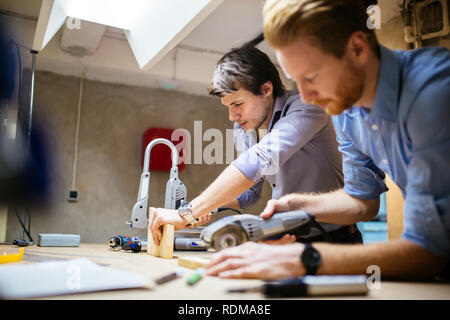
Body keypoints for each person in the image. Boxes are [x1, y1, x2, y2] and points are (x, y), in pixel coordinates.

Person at [205, 0, 450, 280]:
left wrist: (305, 258)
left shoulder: (434, 93)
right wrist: (299, 205)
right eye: (297, 80)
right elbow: (363, 202)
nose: (307, 97)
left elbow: (430, 252)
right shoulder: (347, 111)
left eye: (311, 77)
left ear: (357, 49)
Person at [148, 45, 354, 246]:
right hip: (288, 240)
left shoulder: (307, 107)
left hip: (336, 240)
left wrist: (187, 213)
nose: (232, 116)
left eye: (238, 104)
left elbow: (259, 160)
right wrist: (204, 207)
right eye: (228, 107)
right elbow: (249, 193)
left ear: (266, 89)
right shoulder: (243, 128)